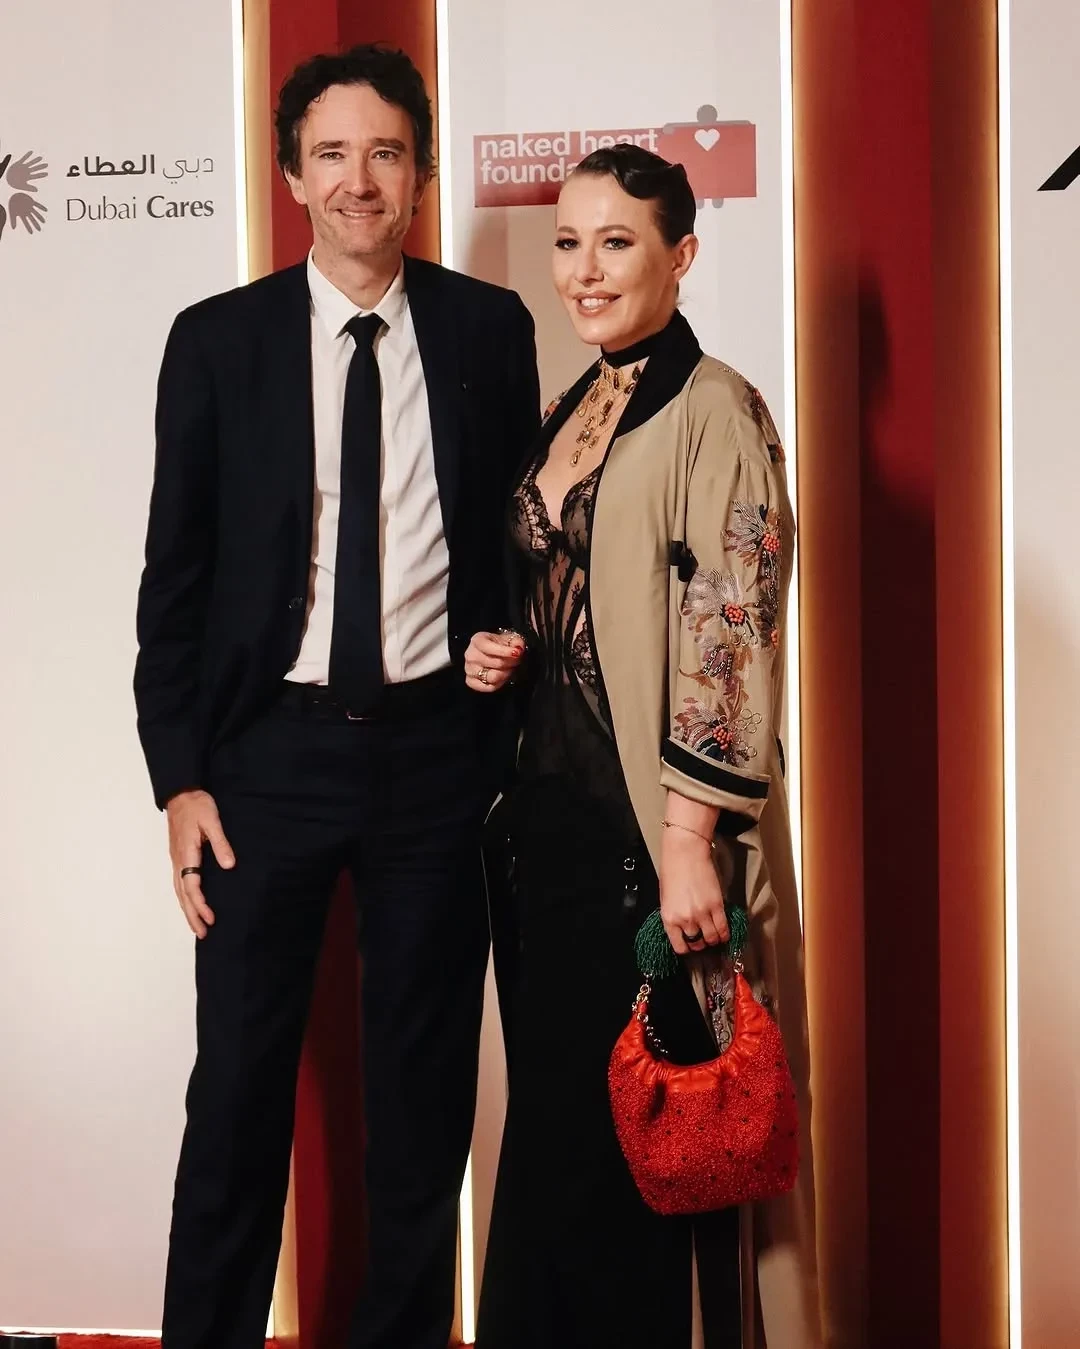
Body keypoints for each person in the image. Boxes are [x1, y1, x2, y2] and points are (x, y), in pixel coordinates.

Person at [133, 44, 539, 1349]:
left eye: (385, 153)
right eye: (332, 154)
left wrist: (504, 653)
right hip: (267, 760)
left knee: (422, 1102)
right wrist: (181, 778)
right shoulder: (218, 342)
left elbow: (515, 546)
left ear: (420, 173)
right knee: (238, 1094)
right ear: (293, 176)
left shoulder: (489, 331)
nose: (359, 180)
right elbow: (175, 584)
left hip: (434, 761)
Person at [467, 145, 820, 1348]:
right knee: (561, 1136)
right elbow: (587, 595)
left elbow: (732, 625)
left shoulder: (717, 406)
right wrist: (509, 647)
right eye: (568, 241)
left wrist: (686, 841)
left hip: (649, 836)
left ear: (682, 254)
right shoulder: (573, 403)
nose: (584, 268)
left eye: (616, 241)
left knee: (659, 1139)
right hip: (546, 833)